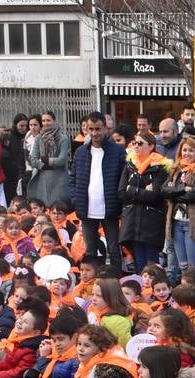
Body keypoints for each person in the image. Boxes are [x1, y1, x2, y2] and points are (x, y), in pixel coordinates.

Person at [68, 112, 125, 275]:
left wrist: (120, 201)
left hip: (110, 208)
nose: (94, 133)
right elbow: (73, 178)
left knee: (113, 249)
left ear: (105, 128)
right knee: (91, 250)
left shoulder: (117, 151)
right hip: (86, 209)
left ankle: (116, 279)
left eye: (98, 129)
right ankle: (92, 281)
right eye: (91, 129)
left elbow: (124, 177)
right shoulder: (81, 152)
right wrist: (75, 199)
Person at [162, 134, 195, 284]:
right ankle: (187, 295)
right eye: (184, 150)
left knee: (194, 267)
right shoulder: (176, 170)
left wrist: (174, 193)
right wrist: (184, 188)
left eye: (191, 150)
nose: (187, 153)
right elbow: (163, 190)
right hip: (176, 222)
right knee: (183, 266)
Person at [118, 128, 169, 275]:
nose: (135, 146)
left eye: (140, 143)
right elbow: (121, 193)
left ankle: (156, 288)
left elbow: (155, 196)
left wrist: (132, 189)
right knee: (139, 258)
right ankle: (142, 289)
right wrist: (143, 191)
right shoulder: (130, 165)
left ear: (151, 145)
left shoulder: (161, 167)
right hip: (132, 219)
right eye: (134, 143)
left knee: (152, 260)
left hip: (151, 220)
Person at [26, 110, 72, 205]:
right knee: (43, 207)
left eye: (48, 120)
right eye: (43, 121)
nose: (45, 123)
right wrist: (48, 163)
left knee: (58, 207)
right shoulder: (39, 137)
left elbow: (62, 160)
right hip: (42, 178)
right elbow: (33, 159)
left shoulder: (63, 138)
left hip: (59, 179)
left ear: (54, 121)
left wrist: (44, 161)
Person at [0, 115, 29, 201]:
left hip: (24, 173)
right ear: (15, 125)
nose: (24, 128)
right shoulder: (8, 137)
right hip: (9, 174)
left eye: (25, 126)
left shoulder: (29, 137)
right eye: (21, 126)